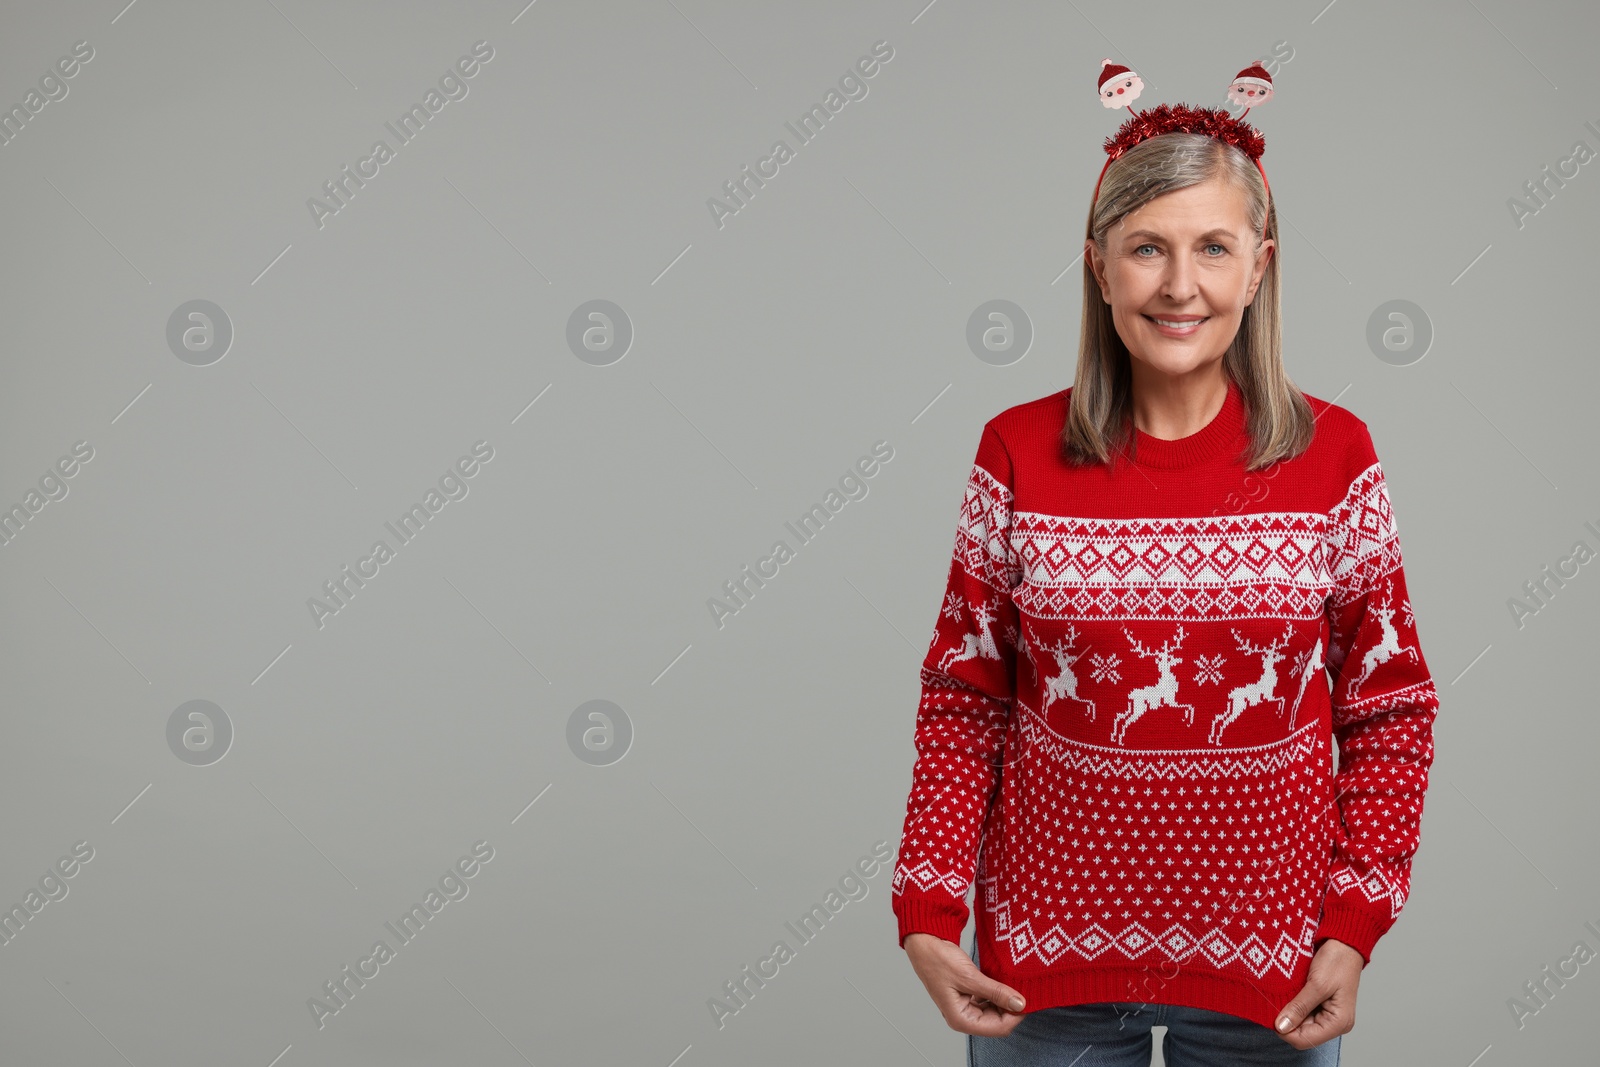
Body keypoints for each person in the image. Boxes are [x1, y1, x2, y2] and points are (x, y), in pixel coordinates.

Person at [891, 66, 1440, 1067]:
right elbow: (964, 697)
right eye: (1146, 248)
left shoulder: (1333, 456)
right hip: (1038, 981)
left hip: (1271, 978)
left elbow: (1390, 706)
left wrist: (1354, 922)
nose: (1179, 284)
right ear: (1099, 270)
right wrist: (927, 907)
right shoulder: (1014, 452)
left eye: (1212, 248)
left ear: (1259, 267)